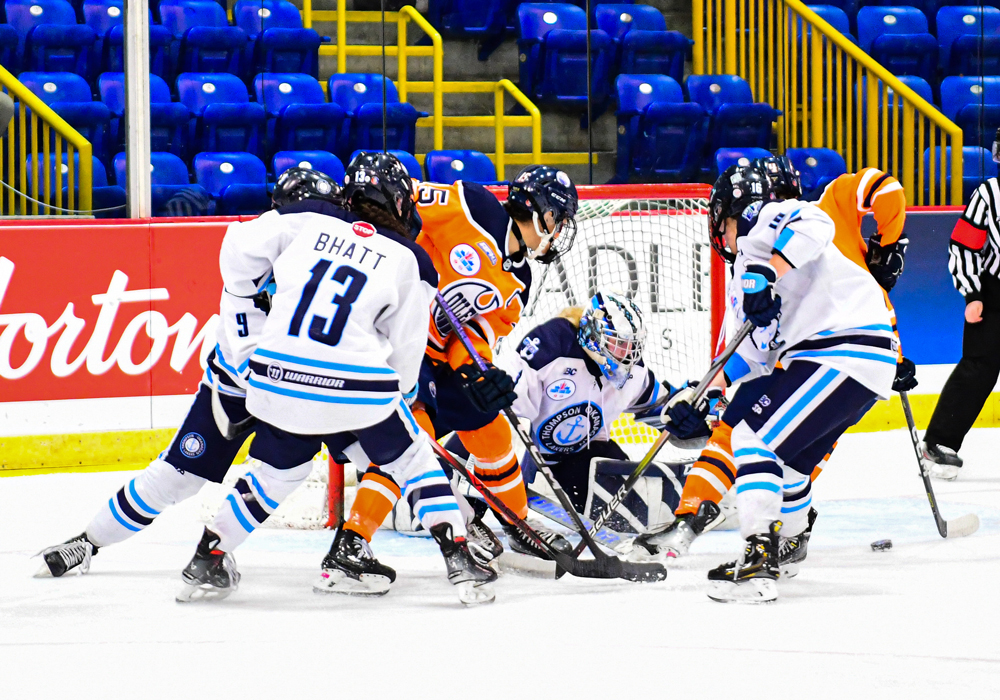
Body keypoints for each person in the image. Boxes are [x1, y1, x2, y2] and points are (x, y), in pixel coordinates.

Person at [177, 152, 498, 606]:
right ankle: (459, 556)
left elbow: (238, 242)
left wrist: (243, 301)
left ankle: (207, 556)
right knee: (411, 457)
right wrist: (397, 398)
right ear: (401, 203)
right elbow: (406, 353)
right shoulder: (412, 259)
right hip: (354, 385)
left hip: (271, 377)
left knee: (274, 474)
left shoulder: (308, 224)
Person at [34, 168, 340, 579]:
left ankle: (131, 545)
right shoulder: (271, 254)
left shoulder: (269, 248)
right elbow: (246, 343)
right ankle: (95, 542)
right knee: (221, 475)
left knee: (191, 476)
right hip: (246, 387)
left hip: (251, 384)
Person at [632, 157, 914, 571]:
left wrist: (768, 272)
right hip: (851, 361)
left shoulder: (770, 219)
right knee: (791, 464)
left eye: (723, 223)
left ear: (738, 210)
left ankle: (756, 559)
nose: (722, 235)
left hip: (839, 352)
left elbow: (818, 226)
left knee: (752, 442)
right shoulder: (746, 271)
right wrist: (704, 398)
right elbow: (751, 354)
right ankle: (791, 542)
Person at [324, 164, 581, 595]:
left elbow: (478, 330)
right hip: (389, 336)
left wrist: (478, 371)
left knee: (490, 425)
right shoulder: (472, 205)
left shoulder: (519, 278)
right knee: (413, 434)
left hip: (436, 355)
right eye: (559, 218)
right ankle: (351, 543)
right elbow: (397, 203)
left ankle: (516, 521)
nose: (559, 231)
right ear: (541, 214)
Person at [921, 128, 1000, 480]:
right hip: (995, 294)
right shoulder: (990, 195)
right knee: (977, 369)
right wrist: (973, 293)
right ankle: (939, 442)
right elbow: (964, 246)